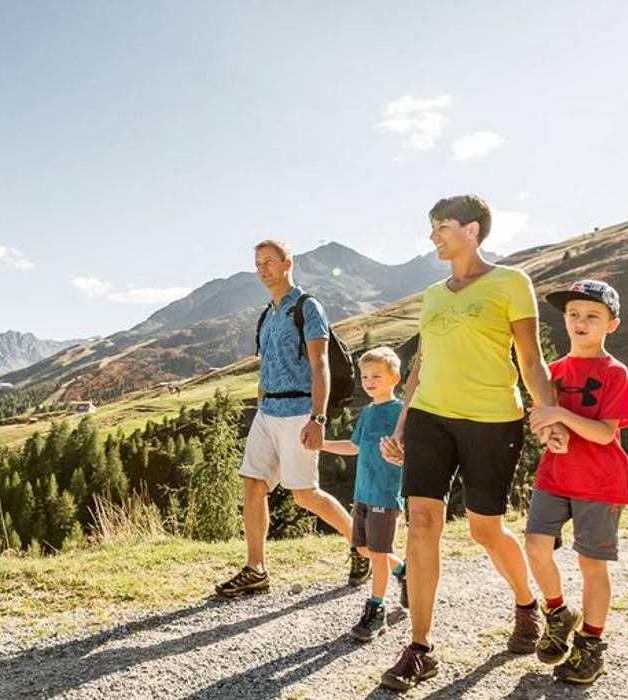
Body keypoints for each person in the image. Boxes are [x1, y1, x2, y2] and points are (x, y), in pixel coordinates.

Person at [378, 195, 568, 691]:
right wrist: (401, 424)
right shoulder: (433, 295)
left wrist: (546, 412)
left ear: (473, 230)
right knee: (422, 525)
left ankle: (527, 603)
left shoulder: (511, 283)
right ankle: (420, 647)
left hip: (491, 421)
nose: (433, 235)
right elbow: (420, 364)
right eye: (432, 227)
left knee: (486, 529)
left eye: (442, 226)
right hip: (429, 419)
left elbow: (530, 358)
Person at [214, 239, 369, 598]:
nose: (262, 269)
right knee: (252, 484)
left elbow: (320, 364)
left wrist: (318, 418)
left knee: (305, 494)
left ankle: (359, 544)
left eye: (269, 261)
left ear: (288, 263)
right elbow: (266, 366)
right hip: (267, 414)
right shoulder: (267, 314)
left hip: (300, 412)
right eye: (257, 263)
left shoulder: (307, 307)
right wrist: (260, 405)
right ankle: (256, 570)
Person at [525, 279, 628, 684]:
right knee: (536, 548)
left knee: (592, 563)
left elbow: (606, 433)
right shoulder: (552, 371)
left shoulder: (615, 372)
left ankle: (591, 645)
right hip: (554, 477)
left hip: (600, 482)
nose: (580, 322)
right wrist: (549, 431)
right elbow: (542, 421)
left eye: (593, 316)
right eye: (573, 314)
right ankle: (558, 612)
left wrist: (562, 417)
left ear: (612, 324)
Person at [320, 346, 409, 641]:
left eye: (376, 376)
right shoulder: (368, 412)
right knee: (362, 549)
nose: (368, 381)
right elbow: (355, 447)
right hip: (363, 494)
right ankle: (404, 572)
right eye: (364, 376)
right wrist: (323, 445)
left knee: (379, 556)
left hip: (385, 495)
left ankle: (376, 609)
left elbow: (409, 452)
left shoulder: (401, 413)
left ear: (394, 377)